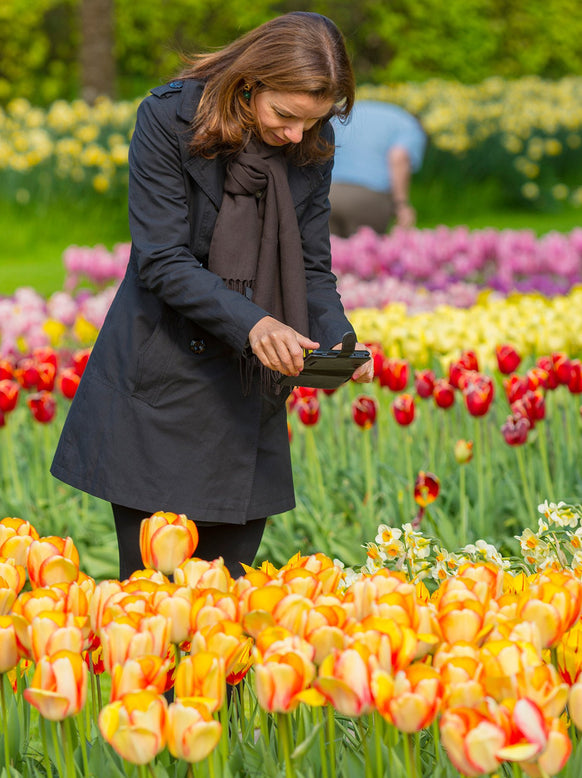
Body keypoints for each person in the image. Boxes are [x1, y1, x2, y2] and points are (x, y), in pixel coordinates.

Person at [50, 12, 374, 581]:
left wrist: (339, 341)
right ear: (250, 83)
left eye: (312, 122)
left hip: (248, 397)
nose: (297, 136)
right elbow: (162, 260)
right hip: (160, 385)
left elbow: (310, 266)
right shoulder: (168, 118)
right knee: (154, 607)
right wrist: (255, 325)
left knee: (228, 613)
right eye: (286, 116)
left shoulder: (308, 142)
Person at [329, 100, 427, 237]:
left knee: (331, 252)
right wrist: (401, 205)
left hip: (329, 194)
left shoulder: (345, 113)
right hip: (369, 198)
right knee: (365, 253)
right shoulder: (409, 125)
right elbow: (398, 157)